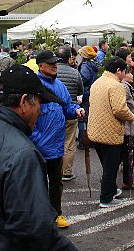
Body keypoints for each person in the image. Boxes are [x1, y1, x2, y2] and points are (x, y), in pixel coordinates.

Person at [0, 65, 78, 251]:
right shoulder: (22, 152)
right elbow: (34, 228)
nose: (41, 111)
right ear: (24, 101)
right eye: (39, 104)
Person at [31, 51, 84, 229]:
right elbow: (28, 116)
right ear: (41, 66)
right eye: (50, 63)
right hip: (38, 147)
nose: (55, 65)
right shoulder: (34, 86)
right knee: (37, 184)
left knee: (56, 183)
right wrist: (36, 138)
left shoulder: (60, 85)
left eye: (55, 62)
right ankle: (38, 216)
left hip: (55, 145)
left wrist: (75, 110)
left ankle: (57, 213)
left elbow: (67, 107)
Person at [87, 58, 134, 207]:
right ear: (118, 71)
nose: (125, 74)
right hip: (110, 132)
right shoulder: (116, 86)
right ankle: (106, 198)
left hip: (95, 131)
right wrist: (132, 116)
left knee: (107, 165)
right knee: (111, 167)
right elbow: (120, 109)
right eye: (124, 71)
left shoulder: (97, 82)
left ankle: (112, 190)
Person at [56, 46, 84, 182]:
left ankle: (54, 169)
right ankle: (66, 172)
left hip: (54, 113)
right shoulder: (74, 73)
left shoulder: (51, 73)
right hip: (72, 111)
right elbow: (80, 90)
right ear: (69, 58)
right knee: (69, 142)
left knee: (55, 140)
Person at [121, 65, 134, 190]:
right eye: (129, 73)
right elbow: (126, 106)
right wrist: (133, 115)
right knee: (128, 153)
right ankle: (128, 181)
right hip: (126, 124)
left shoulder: (128, 86)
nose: (132, 75)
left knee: (125, 153)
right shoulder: (124, 87)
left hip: (126, 123)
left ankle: (127, 180)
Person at [78, 46, 99, 147]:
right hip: (92, 91)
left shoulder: (85, 65)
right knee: (90, 117)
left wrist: (78, 82)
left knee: (83, 118)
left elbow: (84, 78)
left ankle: (84, 141)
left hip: (86, 93)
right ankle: (92, 139)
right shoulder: (93, 64)